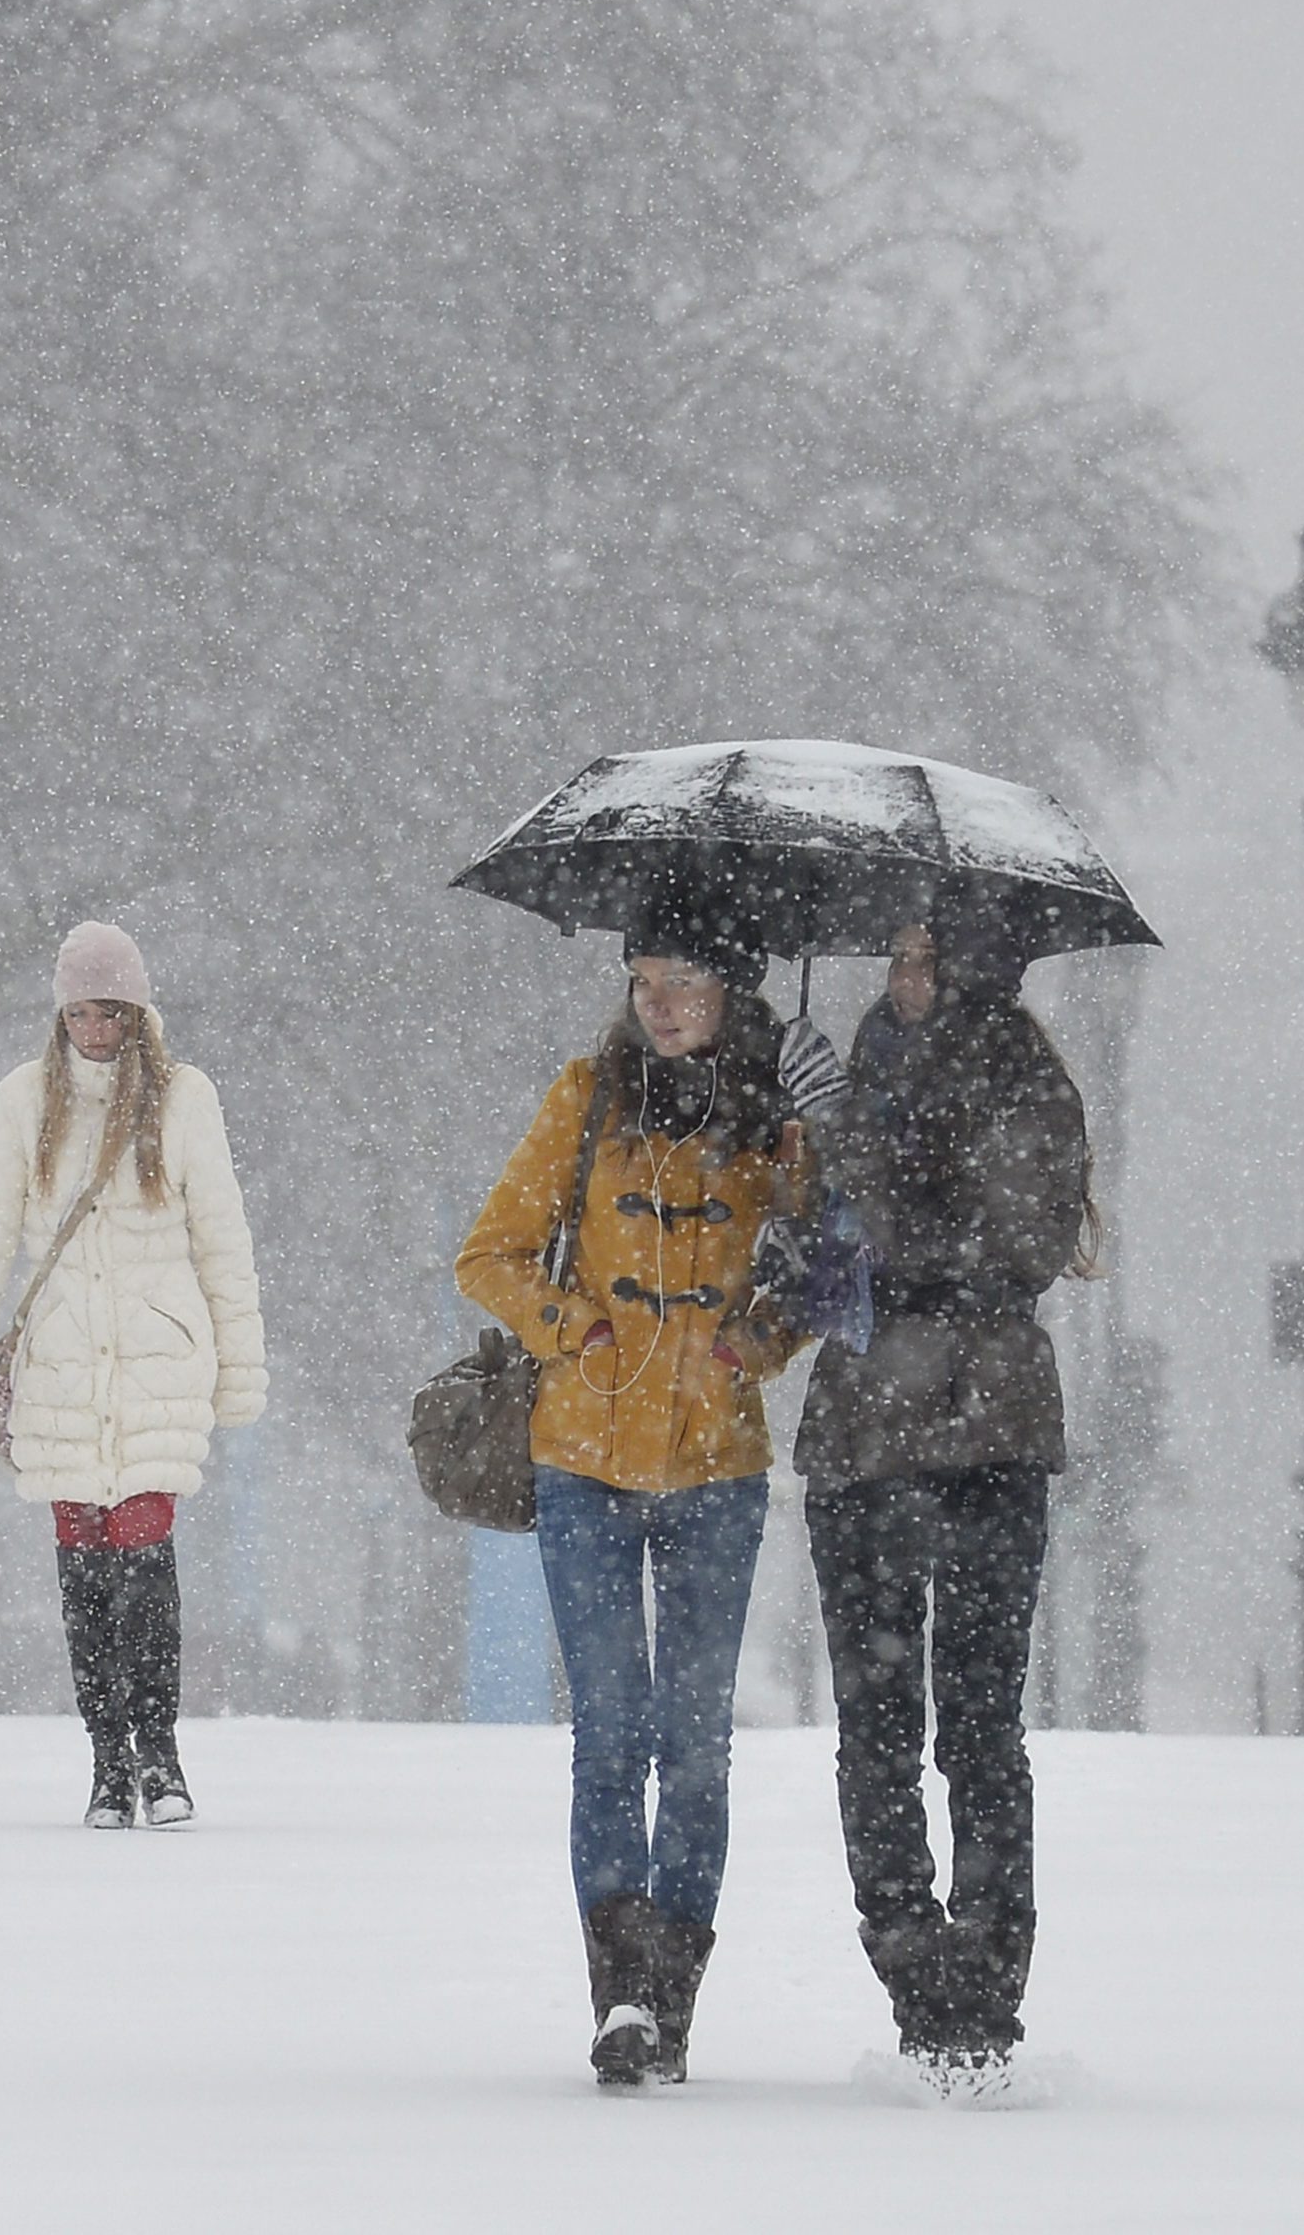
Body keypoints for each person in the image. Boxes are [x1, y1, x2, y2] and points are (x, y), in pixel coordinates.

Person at [455, 887, 813, 2088]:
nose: (659, 1004)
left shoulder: (777, 1120)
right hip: (585, 1462)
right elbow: (488, 1251)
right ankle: (618, 1998)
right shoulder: (587, 1092)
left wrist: (761, 1338)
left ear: (734, 994)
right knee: (611, 1736)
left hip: (717, 1464)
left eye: (686, 983)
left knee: (695, 1743)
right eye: (644, 978)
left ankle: (673, 1995)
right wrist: (574, 1327)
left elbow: (819, 1273)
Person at [805, 894, 1089, 2079]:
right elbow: (819, 1248)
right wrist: (809, 1181)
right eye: (897, 953)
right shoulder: (838, 1071)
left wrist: (901, 1169)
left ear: (978, 971)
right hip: (863, 1431)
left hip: (986, 1432)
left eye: (928, 957)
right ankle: (905, 1953)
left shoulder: (1029, 1082)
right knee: (874, 1720)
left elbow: (1020, 1244)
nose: (905, 973)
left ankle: (984, 1968)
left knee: (977, 1716)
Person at [0, 922, 264, 1830]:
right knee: (84, 1573)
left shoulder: (186, 1100)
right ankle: (108, 1762)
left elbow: (223, 1243)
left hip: (157, 1361)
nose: (93, 1030)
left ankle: (162, 1752)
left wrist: (239, 1371)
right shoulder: (24, 1102)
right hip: (64, 1367)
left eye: (108, 1012)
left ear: (136, 1013)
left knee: (146, 1557)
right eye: (77, 1011)